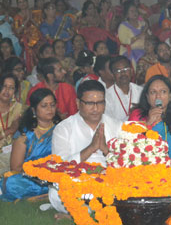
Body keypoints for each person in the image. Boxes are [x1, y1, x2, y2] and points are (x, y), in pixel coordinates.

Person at [49, 80, 122, 215]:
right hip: (77, 181)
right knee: (56, 192)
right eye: (89, 103)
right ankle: (94, 207)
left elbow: (125, 165)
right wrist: (90, 148)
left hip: (109, 181)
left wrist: (105, 150)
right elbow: (60, 166)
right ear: (78, 103)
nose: (96, 108)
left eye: (100, 103)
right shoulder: (63, 128)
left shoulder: (117, 126)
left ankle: (82, 210)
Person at [0, 88, 61, 201]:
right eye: (44, 105)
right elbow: (16, 167)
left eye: (52, 105)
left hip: (59, 174)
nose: (49, 109)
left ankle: (43, 195)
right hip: (33, 177)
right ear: (34, 110)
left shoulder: (62, 130)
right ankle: (47, 195)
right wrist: (39, 174)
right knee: (12, 184)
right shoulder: (25, 136)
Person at [129, 75, 171, 165]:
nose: (158, 96)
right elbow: (128, 148)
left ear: (170, 96)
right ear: (147, 97)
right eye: (153, 92)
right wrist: (148, 123)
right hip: (141, 169)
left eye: (163, 92)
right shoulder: (137, 116)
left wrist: (166, 174)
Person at [105, 56, 143, 121]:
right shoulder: (107, 96)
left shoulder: (140, 91)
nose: (123, 73)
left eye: (125, 69)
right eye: (118, 71)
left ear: (131, 71)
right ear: (112, 74)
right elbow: (109, 122)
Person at [13, 0, 43, 73]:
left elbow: (40, 27)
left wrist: (31, 19)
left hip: (37, 36)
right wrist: (26, 21)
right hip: (24, 39)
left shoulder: (35, 13)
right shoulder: (17, 17)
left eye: (23, 1)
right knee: (28, 45)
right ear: (17, 5)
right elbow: (18, 31)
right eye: (20, 2)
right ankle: (30, 69)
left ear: (27, 2)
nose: (22, 3)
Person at [117, 1, 149, 67]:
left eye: (136, 11)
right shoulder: (123, 26)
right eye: (132, 11)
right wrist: (140, 35)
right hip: (129, 51)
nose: (135, 13)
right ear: (127, 14)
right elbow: (125, 41)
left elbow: (149, 37)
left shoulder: (142, 24)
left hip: (145, 50)